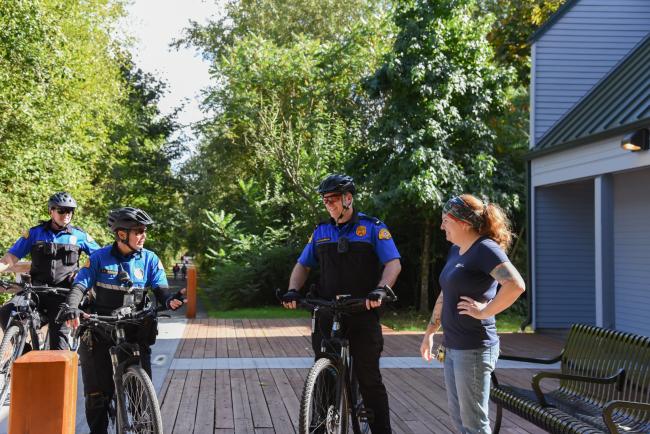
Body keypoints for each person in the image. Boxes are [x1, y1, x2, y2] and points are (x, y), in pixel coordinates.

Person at [282, 174, 401, 434]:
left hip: (363, 310)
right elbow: (303, 264)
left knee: (368, 378)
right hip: (326, 311)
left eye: (333, 199)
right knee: (323, 374)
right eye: (325, 200)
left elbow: (393, 263)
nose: (328, 204)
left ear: (348, 198)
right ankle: (319, 428)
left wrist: (380, 290)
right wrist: (293, 290)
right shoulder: (321, 232)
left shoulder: (372, 228)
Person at [62, 207, 185, 434]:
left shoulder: (149, 259)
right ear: (121, 234)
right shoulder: (99, 258)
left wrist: (170, 301)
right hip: (100, 327)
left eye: (144, 231)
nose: (143, 235)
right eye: (138, 231)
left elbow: (161, 291)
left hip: (134, 329)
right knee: (98, 395)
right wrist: (72, 307)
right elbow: (80, 285)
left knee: (141, 394)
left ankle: (143, 427)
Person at [419, 194, 525, 434]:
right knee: (460, 420)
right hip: (454, 346)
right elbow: (446, 292)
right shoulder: (456, 250)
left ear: (463, 223)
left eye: (446, 220)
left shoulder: (485, 249)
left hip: (475, 348)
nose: (441, 225)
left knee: (474, 424)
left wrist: (485, 311)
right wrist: (430, 332)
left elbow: (516, 285)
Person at [0, 192, 100, 350]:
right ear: (50, 211)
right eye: (61, 210)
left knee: (58, 346)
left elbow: (99, 259)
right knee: (6, 312)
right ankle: (23, 351)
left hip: (63, 294)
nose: (66, 214)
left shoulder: (79, 236)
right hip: (36, 291)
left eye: (70, 211)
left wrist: (83, 274)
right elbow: (9, 259)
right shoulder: (35, 233)